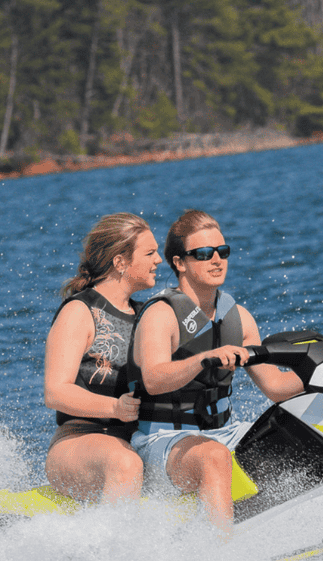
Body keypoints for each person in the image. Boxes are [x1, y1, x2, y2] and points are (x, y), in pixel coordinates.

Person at [128, 209, 307, 530]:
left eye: (222, 252)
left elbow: (276, 388)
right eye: (203, 254)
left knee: (305, 433)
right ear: (179, 263)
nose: (216, 260)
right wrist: (204, 359)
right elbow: (153, 380)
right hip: (161, 443)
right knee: (213, 457)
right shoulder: (161, 314)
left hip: (224, 432)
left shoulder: (238, 317)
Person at [44, 212, 162, 504]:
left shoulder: (150, 314)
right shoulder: (79, 312)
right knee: (126, 464)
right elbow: (55, 392)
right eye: (150, 253)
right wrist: (115, 407)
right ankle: (117, 549)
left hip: (136, 439)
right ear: (120, 262)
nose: (159, 260)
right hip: (79, 441)